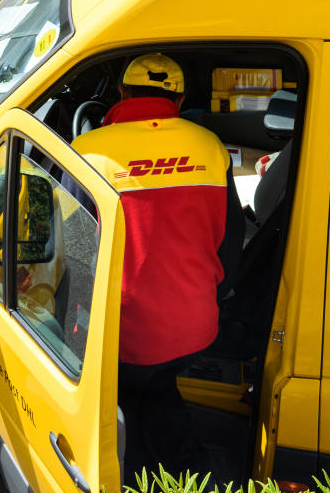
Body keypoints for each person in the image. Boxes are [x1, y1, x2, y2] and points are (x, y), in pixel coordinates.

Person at [71, 54, 244, 481]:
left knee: (135, 394)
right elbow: (232, 240)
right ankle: (189, 473)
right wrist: (214, 294)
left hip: (122, 331)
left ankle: (143, 473)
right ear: (180, 98)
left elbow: (73, 251)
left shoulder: (88, 150)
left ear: (123, 93)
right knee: (156, 392)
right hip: (195, 324)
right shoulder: (209, 146)